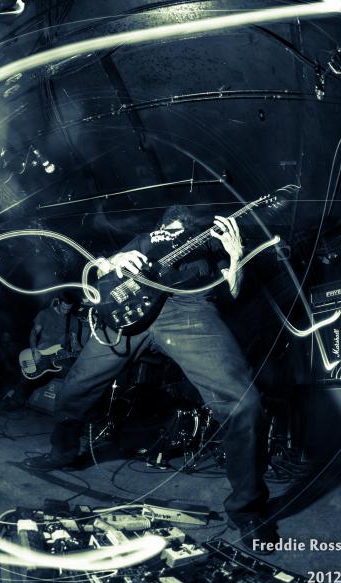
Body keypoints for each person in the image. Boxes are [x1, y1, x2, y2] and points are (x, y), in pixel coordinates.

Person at [23, 205, 277, 550]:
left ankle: (247, 508)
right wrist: (115, 261)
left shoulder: (209, 246)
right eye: (169, 229)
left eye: (181, 229)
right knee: (76, 386)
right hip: (129, 313)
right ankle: (62, 451)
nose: (174, 234)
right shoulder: (143, 240)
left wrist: (236, 256)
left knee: (243, 403)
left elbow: (232, 291)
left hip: (188, 311)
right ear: (160, 227)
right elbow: (102, 274)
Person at [29, 291, 89, 365]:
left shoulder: (73, 320)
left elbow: (75, 343)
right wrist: (34, 350)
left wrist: (84, 352)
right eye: (63, 308)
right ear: (58, 302)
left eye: (68, 309)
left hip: (61, 358)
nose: (66, 312)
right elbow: (34, 332)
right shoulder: (44, 314)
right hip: (42, 355)